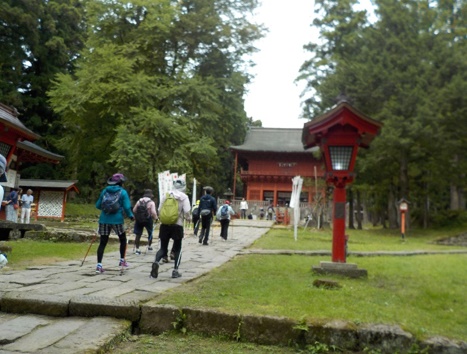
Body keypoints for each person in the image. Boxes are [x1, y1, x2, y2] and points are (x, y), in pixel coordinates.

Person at [150, 179, 191, 279]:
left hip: (165, 225)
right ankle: (175, 270)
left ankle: (156, 262)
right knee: (177, 248)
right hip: (177, 225)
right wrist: (188, 218)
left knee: (163, 248)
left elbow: (159, 209)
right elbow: (187, 211)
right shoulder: (184, 197)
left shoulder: (167, 194)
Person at [95, 173, 134, 273]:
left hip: (104, 219)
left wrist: (106, 209)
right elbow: (126, 207)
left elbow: (98, 205)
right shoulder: (123, 192)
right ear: (121, 182)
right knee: (122, 239)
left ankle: (99, 265)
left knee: (102, 242)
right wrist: (130, 215)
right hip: (117, 220)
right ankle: (122, 260)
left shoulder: (105, 191)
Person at [132, 189, 158, 255]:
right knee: (150, 232)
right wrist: (156, 218)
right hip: (148, 219)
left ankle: (137, 249)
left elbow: (134, 210)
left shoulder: (139, 201)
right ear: (151, 195)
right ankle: (149, 246)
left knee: (138, 234)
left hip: (139, 220)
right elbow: (153, 212)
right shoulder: (151, 202)